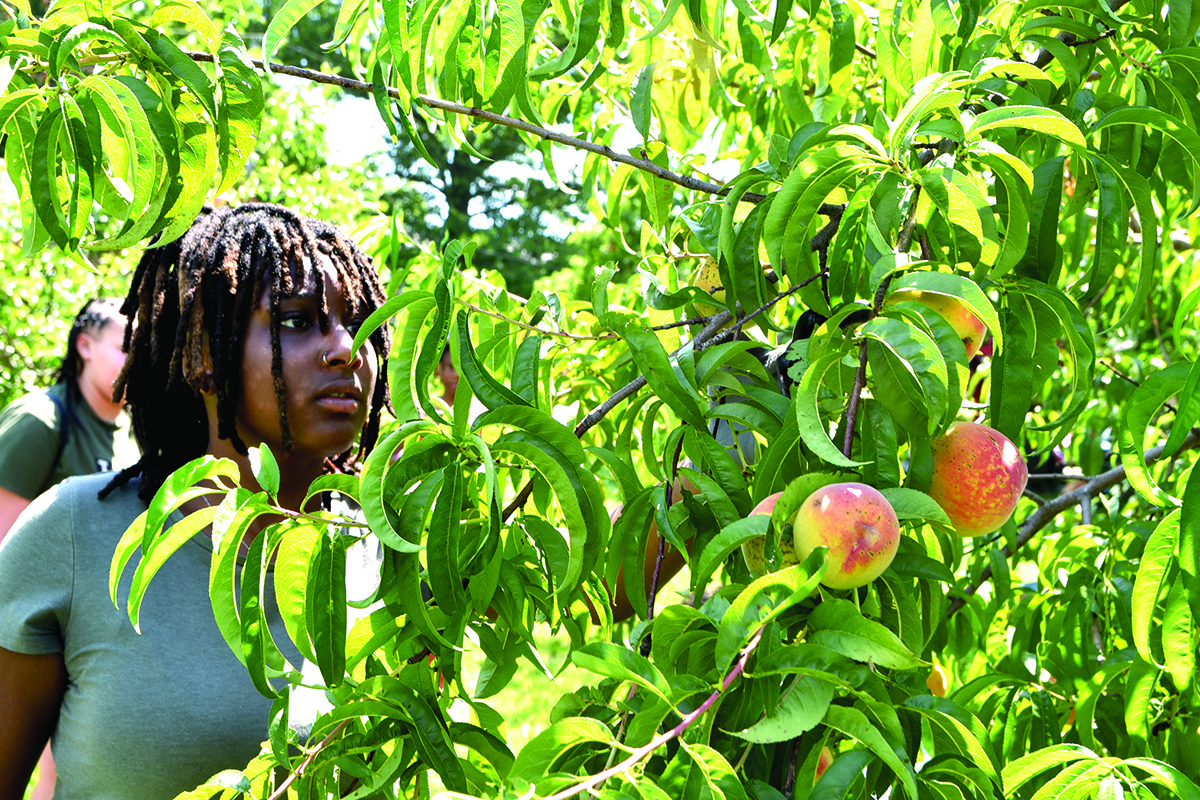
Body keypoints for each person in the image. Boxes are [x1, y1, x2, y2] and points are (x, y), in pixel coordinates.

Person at [0, 203, 391, 800]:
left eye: (359, 322)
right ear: (205, 355)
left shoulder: (389, 553)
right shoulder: (76, 532)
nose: (347, 349)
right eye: (295, 320)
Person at [0, 298, 137, 542]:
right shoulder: (38, 421)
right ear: (85, 346)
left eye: (145, 350)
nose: (138, 362)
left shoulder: (136, 434)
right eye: (126, 349)